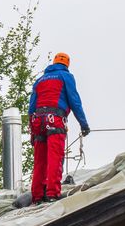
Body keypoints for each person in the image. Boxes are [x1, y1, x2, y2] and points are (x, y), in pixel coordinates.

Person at [28, 52, 90, 203]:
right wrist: (84, 124)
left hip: (38, 121)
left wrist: (32, 133)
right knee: (55, 157)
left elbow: (31, 108)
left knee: (40, 161)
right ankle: (52, 194)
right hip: (54, 120)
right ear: (67, 64)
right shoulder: (66, 77)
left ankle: (36, 196)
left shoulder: (40, 80)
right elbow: (75, 101)